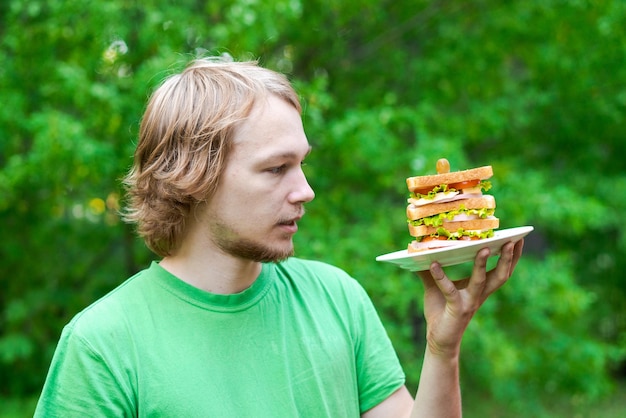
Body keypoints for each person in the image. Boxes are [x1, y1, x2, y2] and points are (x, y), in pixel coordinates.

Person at [34, 56, 524, 417]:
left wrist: (444, 348)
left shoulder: (337, 298)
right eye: (276, 169)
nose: (304, 191)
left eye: (302, 164)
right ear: (193, 177)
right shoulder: (103, 345)